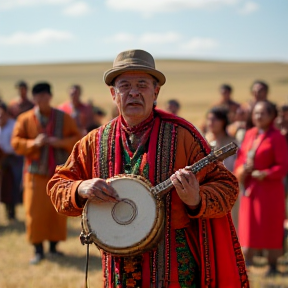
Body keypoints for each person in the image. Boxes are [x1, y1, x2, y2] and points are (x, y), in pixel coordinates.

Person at [47, 49, 249, 287]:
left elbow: (227, 187)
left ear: (156, 91)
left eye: (142, 84)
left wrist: (196, 198)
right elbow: (57, 186)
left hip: (175, 270)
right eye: (125, 85)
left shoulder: (184, 136)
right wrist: (81, 187)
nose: (133, 92)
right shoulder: (93, 142)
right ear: (113, 94)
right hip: (118, 269)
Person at [11, 82, 81, 264]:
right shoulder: (25, 119)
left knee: (56, 213)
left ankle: (54, 247)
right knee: (35, 213)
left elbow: (77, 138)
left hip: (58, 175)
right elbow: (16, 143)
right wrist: (33, 144)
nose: (41, 99)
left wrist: (59, 142)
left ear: (50, 97)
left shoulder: (63, 118)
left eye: (45, 96)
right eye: (38, 97)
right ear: (34, 99)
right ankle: (38, 250)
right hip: (35, 175)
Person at [234, 100, 288, 276]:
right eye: (256, 113)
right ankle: (246, 263)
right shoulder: (249, 135)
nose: (258, 116)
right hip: (251, 189)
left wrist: (265, 173)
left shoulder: (277, 137)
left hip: (270, 191)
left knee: (271, 226)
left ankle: (273, 265)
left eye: (263, 113)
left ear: (272, 116)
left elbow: (283, 166)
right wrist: (243, 170)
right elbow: (240, 161)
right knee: (249, 226)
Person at [205, 107, 239, 230]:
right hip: (209, 191)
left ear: (223, 122)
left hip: (229, 189)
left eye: (214, 119)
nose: (211, 122)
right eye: (209, 119)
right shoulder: (204, 142)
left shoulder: (233, 144)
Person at [0, 102, 23, 221]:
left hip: (12, 161)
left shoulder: (14, 126)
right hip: (1, 162)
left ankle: (12, 213)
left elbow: (15, 146)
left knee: (12, 187)